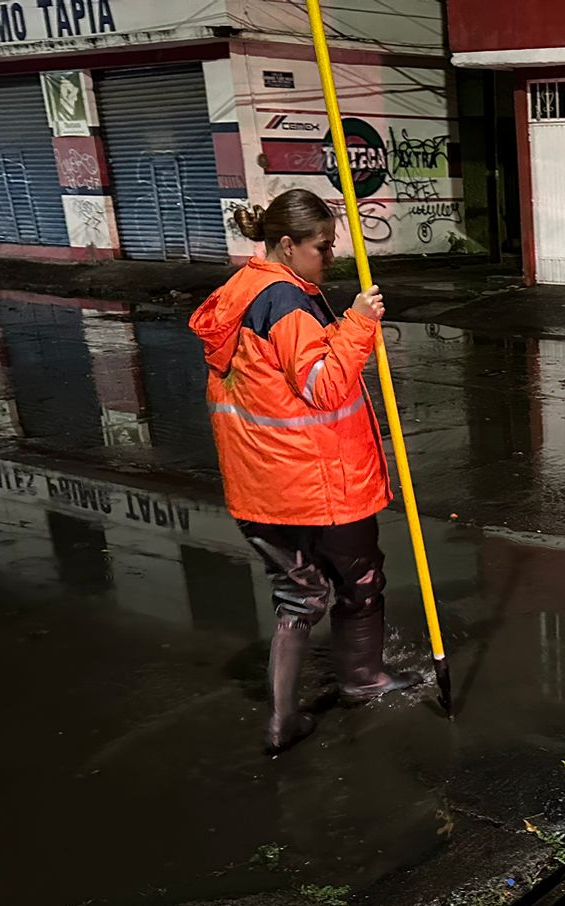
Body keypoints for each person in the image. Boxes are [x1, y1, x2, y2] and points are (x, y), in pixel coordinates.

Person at [190, 188, 420, 754]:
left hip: (261, 489)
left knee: (296, 598)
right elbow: (324, 386)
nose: (331, 256)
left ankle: (282, 720)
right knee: (359, 582)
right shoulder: (286, 303)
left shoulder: (242, 291)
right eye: (322, 246)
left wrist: (340, 327)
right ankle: (363, 679)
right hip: (318, 484)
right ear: (288, 244)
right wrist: (359, 323)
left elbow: (278, 378)